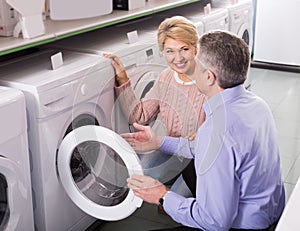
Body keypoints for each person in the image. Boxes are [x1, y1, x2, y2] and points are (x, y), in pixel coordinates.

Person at [123, 30, 285, 231]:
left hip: (242, 226)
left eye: (195, 64)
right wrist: (158, 141)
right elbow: (207, 148)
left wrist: (162, 195)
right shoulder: (257, 104)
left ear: (209, 77)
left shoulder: (216, 131)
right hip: (270, 212)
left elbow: (215, 222)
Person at [104, 16, 206, 196]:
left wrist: (205, 133)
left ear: (195, 48)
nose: (178, 58)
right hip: (170, 147)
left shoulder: (209, 79)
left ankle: (179, 184)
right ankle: (174, 178)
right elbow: (139, 115)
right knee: (139, 175)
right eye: (170, 51)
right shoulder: (166, 77)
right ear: (163, 52)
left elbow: (226, 124)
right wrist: (123, 78)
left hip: (201, 154)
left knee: (176, 203)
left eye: (184, 49)